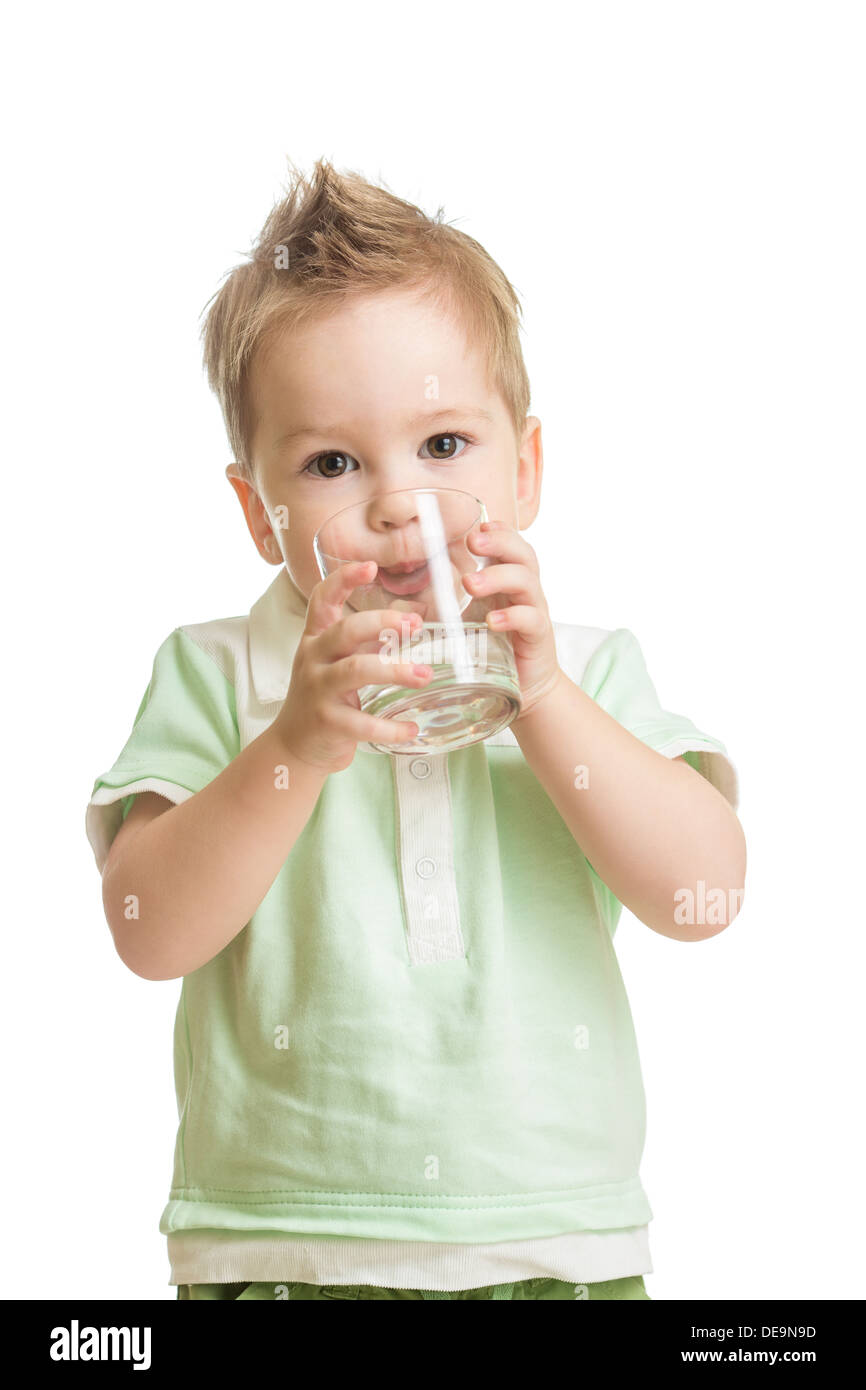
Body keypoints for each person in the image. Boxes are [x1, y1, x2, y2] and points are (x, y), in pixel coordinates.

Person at [85, 157, 746, 1301]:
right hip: (279, 1242)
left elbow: (706, 896)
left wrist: (541, 700)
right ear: (258, 512)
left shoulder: (584, 665)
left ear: (524, 468)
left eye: (443, 446)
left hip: (552, 1244)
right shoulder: (217, 670)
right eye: (331, 462)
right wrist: (294, 743)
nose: (397, 502)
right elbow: (150, 933)